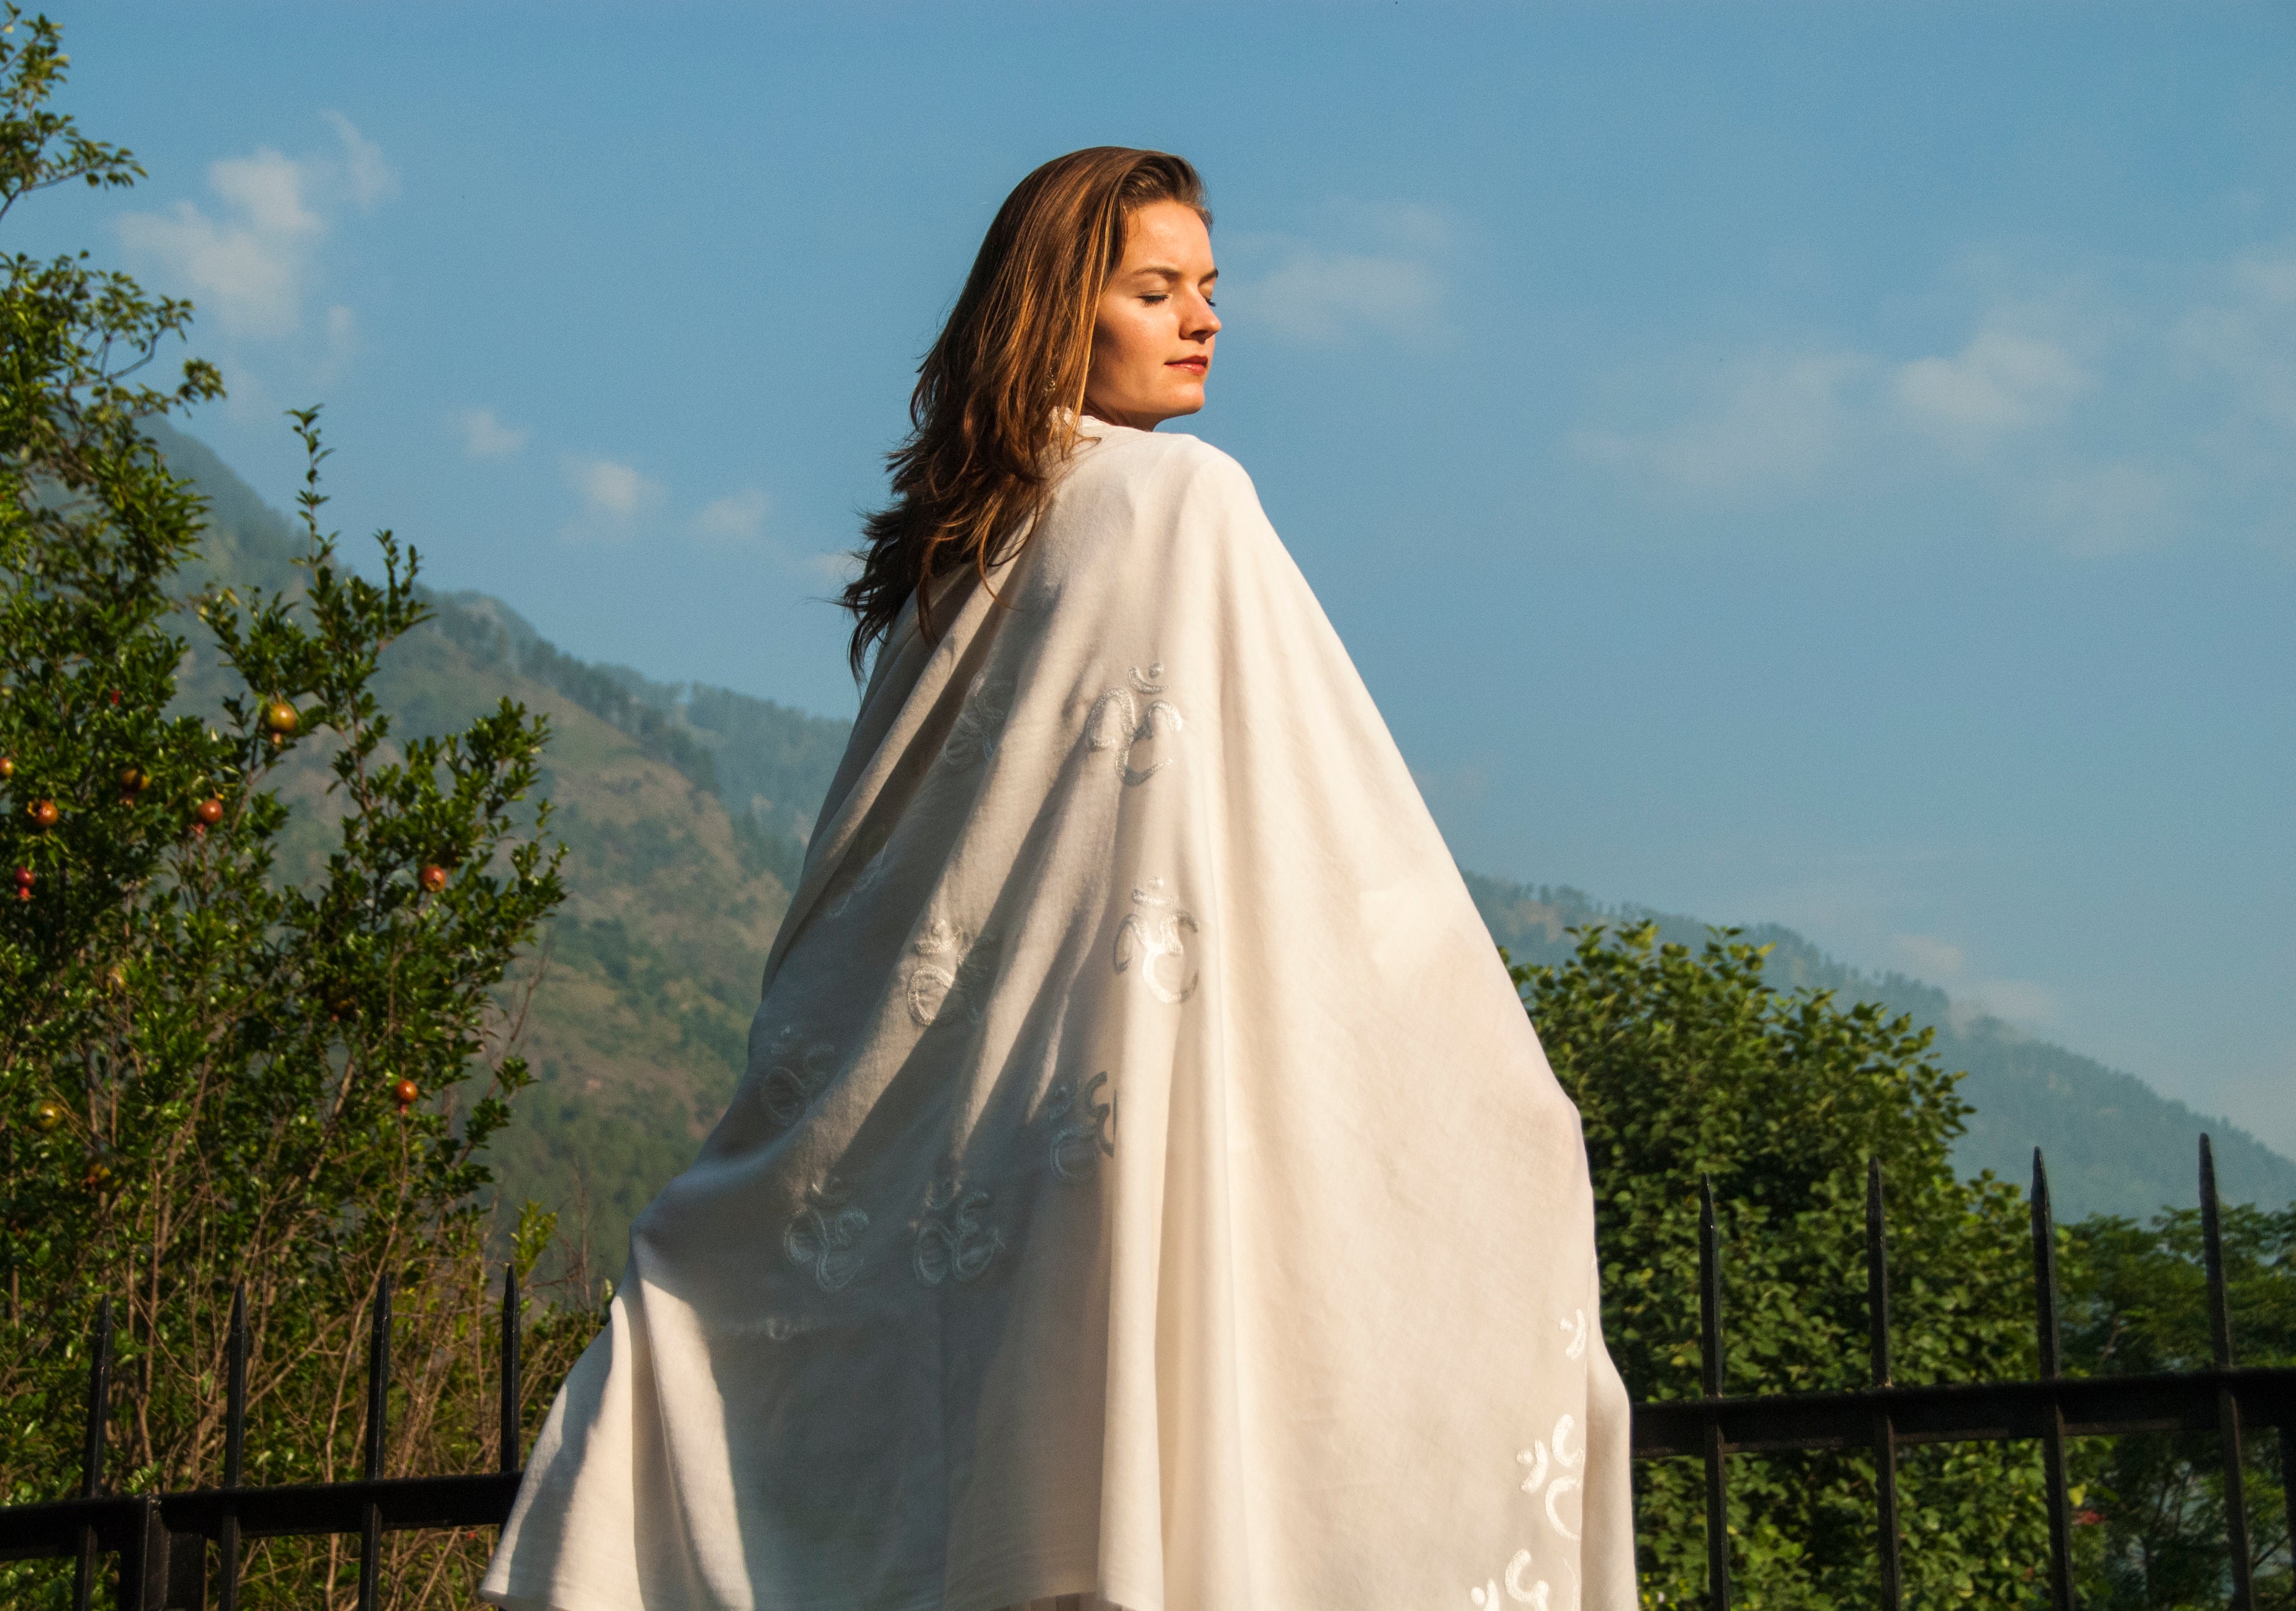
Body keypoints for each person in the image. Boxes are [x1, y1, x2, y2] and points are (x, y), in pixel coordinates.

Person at [483, 147, 1638, 1611]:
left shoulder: (962, 553)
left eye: (1208, 289)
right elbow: (1310, 833)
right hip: (1112, 1124)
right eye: (1154, 291)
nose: (1202, 320)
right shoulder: (1173, 502)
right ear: (1052, 313)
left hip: (994, 1156)